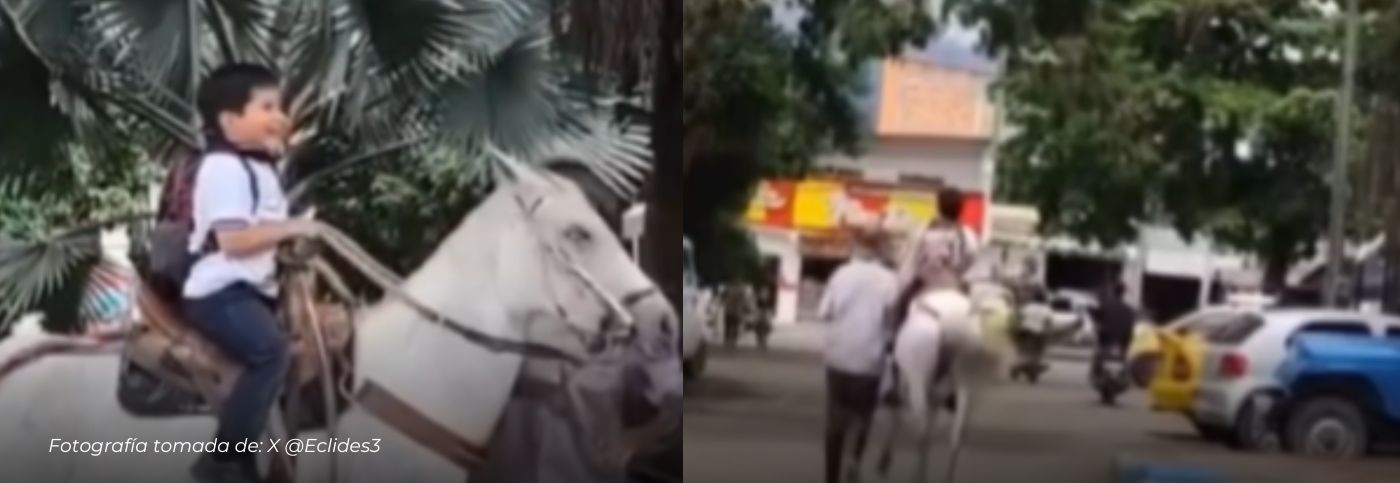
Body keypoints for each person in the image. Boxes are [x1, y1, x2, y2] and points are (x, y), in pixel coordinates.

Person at [182, 63, 317, 483]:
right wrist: (294, 227)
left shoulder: (259, 167)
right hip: (220, 292)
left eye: (280, 107)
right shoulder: (222, 168)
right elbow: (234, 242)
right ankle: (222, 460)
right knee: (271, 352)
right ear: (228, 120)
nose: (280, 116)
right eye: (267, 107)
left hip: (253, 288)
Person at [816, 228, 899, 483]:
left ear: (856, 248)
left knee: (835, 420)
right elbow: (893, 317)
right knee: (863, 416)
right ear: (878, 250)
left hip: (838, 357)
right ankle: (854, 461)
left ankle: (831, 477)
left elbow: (823, 312)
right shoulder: (889, 279)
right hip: (870, 360)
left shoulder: (841, 274)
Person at [1090, 282, 1137, 374]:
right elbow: (1131, 325)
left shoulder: (1106, 305)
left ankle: (1096, 370)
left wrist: (1091, 312)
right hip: (1123, 338)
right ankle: (1124, 370)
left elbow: (1097, 315)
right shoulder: (1129, 309)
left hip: (1107, 337)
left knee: (1099, 351)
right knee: (1125, 354)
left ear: (1112, 292)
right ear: (1123, 293)